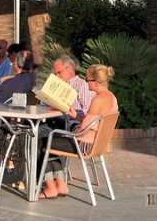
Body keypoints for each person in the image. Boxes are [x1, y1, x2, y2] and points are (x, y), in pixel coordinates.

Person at [39, 64, 118, 199]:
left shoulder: (97, 100)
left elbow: (83, 129)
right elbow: (93, 122)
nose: (86, 83)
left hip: (85, 145)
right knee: (54, 139)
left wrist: (71, 131)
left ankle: (52, 186)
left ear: (97, 82)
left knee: (42, 140)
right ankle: (60, 184)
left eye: (88, 80)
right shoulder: (111, 98)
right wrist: (76, 116)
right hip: (98, 143)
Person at [53, 54, 95, 121]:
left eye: (59, 72)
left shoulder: (82, 85)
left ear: (70, 68)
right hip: (57, 119)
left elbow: (88, 112)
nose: (57, 76)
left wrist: (71, 112)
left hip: (73, 123)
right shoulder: (58, 84)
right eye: (56, 74)